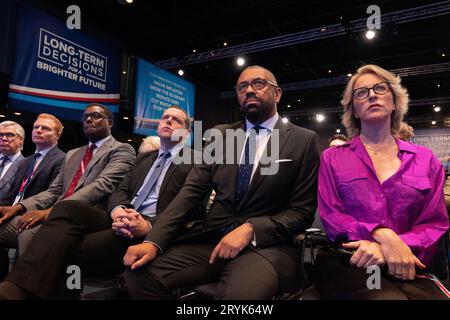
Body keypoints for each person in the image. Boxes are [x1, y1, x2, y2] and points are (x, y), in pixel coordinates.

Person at [123, 65, 320, 300]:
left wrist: (252, 229)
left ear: (277, 94)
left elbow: (302, 211)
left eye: (258, 83)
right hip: (212, 240)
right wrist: (154, 242)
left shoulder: (303, 139)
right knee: (140, 273)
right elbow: (190, 194)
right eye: (242, 87)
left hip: (265, 247)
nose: (249, 90)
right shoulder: (221, 136)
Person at [0, 106, 197, 299]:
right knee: (68, 207)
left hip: (152, 226)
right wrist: (119, 210)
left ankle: (17, 290)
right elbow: (120, 191)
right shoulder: (144, 158)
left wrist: (147, 224)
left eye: (176, 120)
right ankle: (15, 287)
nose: (168, 121)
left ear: (187, 132)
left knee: (66, 249)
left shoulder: (196, 160)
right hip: (120, 218)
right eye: (164, 117)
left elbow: (189, 207)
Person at [317, 64, 449, 299]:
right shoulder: (333, 158)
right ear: (353, 110)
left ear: (395, 101)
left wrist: (395, 246)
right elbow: (332, 217)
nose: (371, 94)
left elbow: (434, 223)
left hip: (411, 265)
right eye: (361, 92)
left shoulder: (426, 160)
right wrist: (381, 234)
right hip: (356, 266)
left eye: (380, 88)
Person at [0, 104, 136, 250]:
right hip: (56, 214)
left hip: (88, 214)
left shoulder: (121, 149)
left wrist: (51, 211)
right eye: (85, 117)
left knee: (28, 233)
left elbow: (102, 185)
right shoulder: (73, 154)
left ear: (109, 123)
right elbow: (54, 191)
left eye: (95, 116)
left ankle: (30, 273)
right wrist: (18, 207)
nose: (88, 120)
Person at [0, 114, 66, 280]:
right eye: (36, 127)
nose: (39, 130)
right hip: (13, 213)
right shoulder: (26, 161)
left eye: (46, 128)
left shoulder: (62, 159)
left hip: (35, 216)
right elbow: (12, 194)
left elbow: (54, 194)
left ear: (57, 135)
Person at [0, 121, 25, 199]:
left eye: (10, 135)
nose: (3, 138)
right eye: (0, 134)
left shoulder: (26, 165)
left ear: (21, 139)